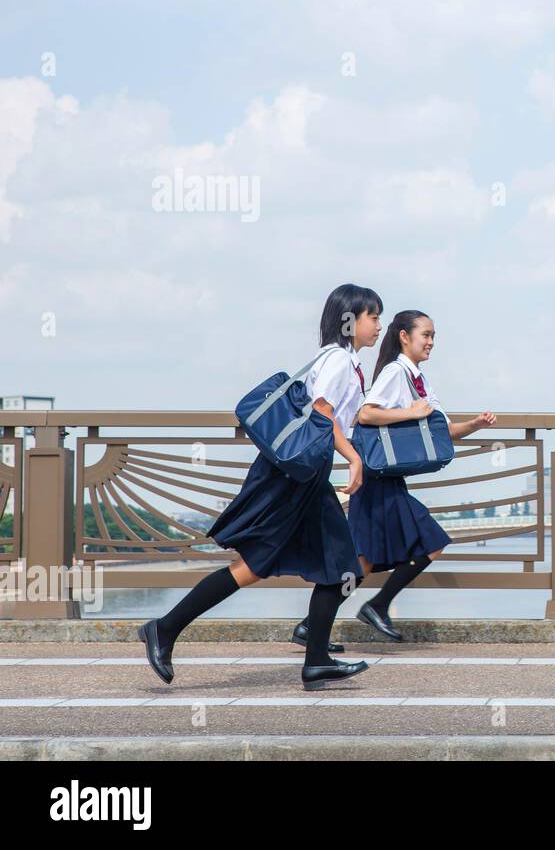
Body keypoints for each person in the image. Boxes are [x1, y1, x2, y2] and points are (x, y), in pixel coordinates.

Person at [139, 283, 383, 690]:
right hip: (299, 480)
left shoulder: (337, 360)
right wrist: (354, 458)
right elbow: (323, 416)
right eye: (372, 316)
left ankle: (168, 629)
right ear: (349, 320)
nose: (378, 325)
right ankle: (165, 629)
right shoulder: (339, 362)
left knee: (283, 567)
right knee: (333, 568)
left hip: (301, 477)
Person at [298, 309, 495, 643]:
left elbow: (441, 430)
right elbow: (367, 414)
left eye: (433, 336)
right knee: (420, 544)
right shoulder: (395, 372)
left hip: (387, 478)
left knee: (369, 557)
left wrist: (474, 425)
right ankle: (369, 608)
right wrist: (410, 412)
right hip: (376, 477)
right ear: (404, 337)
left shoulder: (418, 377)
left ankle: (315, 624)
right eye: (426, 335)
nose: (431, 342)